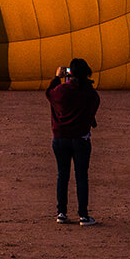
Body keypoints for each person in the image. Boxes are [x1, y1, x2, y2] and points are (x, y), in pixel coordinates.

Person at [46, 57, 101, 226]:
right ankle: (83, 216)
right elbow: (93, 110)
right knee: (81, 177)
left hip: (60, 138)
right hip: (81, 140)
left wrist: (57, 77)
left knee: (62, 176)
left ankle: (61, 213)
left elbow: (49, 93)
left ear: (70, 74)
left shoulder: (61, 90)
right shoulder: (91, 94)